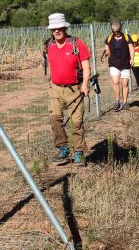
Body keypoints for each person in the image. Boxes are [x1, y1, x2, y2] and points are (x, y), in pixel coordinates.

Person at [46, 13, 91, 165]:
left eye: (59, 28)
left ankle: (78, 152)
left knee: (76, 121)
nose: (57, 31)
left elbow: (86, 66)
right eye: (54, 29)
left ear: (65, 27)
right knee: (54, 118)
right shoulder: (49, 45)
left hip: (74, 90)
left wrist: (85, 84)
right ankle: (63, 147)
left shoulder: (77, 44)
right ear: (51, 30)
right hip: (55, 89)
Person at [103, 21, 134, 112]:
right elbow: (107, 50)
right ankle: (117, 102)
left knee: (125, 84)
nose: (116, 33)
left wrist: (132, 58)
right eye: (114, 32)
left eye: (117, 31)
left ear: (120, 29)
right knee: (115, 82)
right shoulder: (109, 38)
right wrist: (105, 54)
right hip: (114, 63)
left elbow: (131, 48)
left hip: (125, 63)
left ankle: (124, 102)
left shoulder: (127, 37)